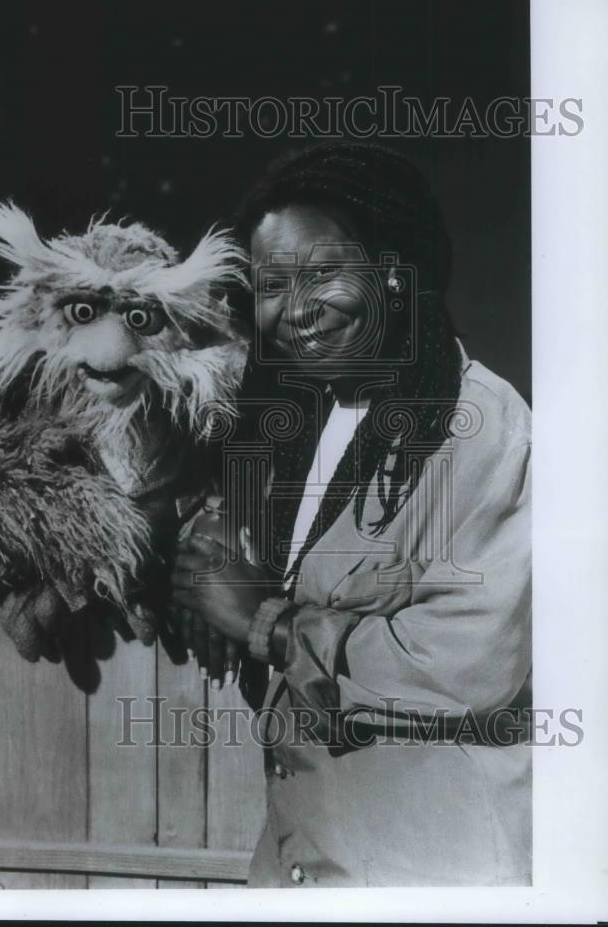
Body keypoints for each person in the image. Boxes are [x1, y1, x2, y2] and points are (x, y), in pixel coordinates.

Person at [170, 142, 532, 887]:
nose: (295, 310)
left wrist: (264, 622)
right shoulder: (299, 426)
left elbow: (467, 667)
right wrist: (209, 553)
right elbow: (243, 563)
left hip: (434, 869)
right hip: (304, 858)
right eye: (271, 285)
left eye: (324, 272)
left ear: (394, 272)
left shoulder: (482, 427)